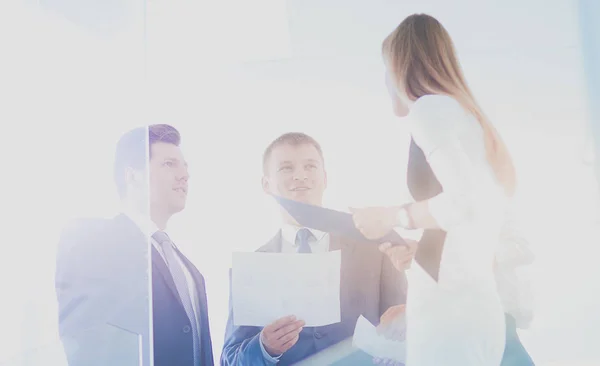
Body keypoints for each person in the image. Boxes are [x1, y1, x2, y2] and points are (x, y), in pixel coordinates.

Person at [350, 14, 517, 366]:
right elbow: (470, 222)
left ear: (401, 67)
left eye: (385, 68)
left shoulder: (428, 111)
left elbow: (463, 202)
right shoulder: (469, 118)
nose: (384, 80)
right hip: (475, 308)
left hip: (450, 315)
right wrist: (419, 253)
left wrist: (392, 217)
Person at [221, 132, 407, 365]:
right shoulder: (250, 267)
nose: (300, 176)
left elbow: (407, 330)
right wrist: (264, 347)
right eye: (286, 168)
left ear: (325, 178)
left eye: (310, 166)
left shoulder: (375, 246)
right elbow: (229, 359)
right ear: (266, 184)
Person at [55, 124, 214, 366]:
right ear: (132, 175)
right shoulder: (93, 242)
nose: (185, 175)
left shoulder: (190, 270)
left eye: (185, 166)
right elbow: (84, 342)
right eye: (169, 164)